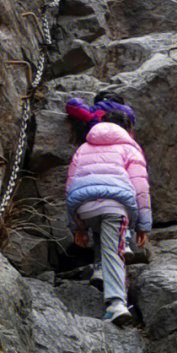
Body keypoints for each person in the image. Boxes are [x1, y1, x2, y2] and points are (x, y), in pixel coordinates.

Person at [65, 92, 152, 326]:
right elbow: (140, 187)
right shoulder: (130, 148)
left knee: (99, 226)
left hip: (83, 205)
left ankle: (99, 269)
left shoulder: (83, 147)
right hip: (115, 205)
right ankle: (116, 304)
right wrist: (143, 225)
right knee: (115, 246)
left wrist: (76, 227)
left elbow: (70, 183)